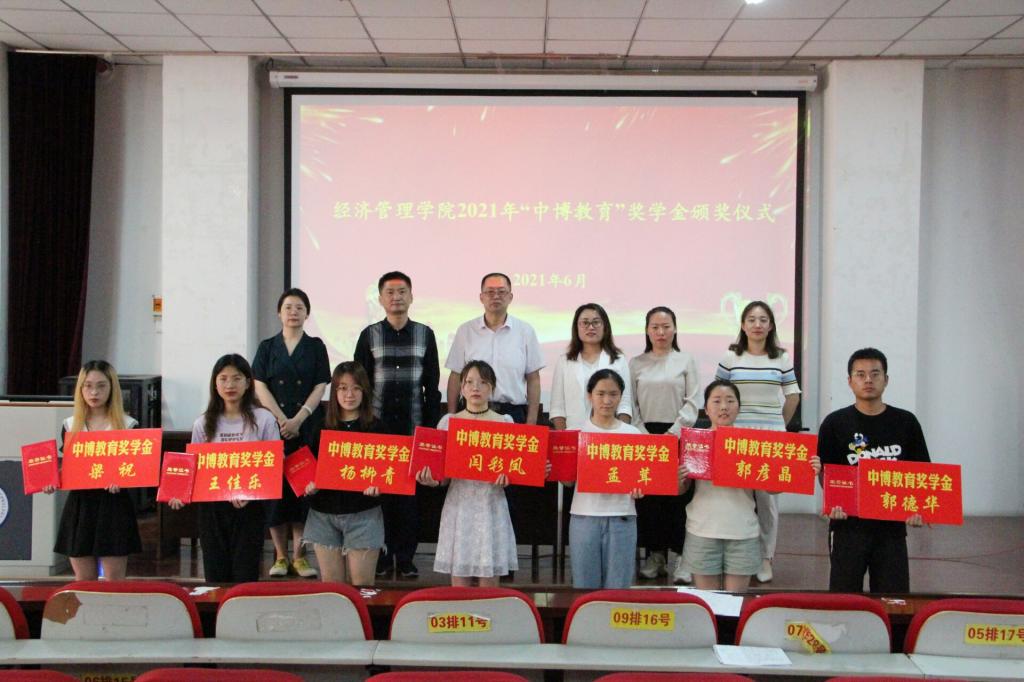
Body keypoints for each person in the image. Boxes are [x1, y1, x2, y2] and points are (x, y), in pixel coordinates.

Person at [678, 379, 820, 592]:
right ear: (706, 408)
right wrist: (678, 479)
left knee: (735, 603)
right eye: (716, 401)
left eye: (730, 401)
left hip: (743, 532)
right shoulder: (694, 442)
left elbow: (771, 488)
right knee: (708, 602)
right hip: (702, 530)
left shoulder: (751, 444)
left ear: (739, 407)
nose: (724, 407)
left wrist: (803, 469)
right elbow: (681, 489)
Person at [819, 347, 930, 593]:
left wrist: (919, 509)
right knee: (844, 599)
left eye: (875, 374)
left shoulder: (906, 422)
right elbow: (826, 473)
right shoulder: (834, 423)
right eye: (860, 374)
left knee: (894, 599)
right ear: (850, 381)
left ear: (886, 379)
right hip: (848, 527)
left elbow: (922, 472)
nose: (868, 380)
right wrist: (833, 502)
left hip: (891, 530)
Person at [354, 271, 441, 579]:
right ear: (380, 299)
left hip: (412, 428)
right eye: (390, 292)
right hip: (376, 429)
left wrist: (429, 432)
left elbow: (432, 387)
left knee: (408, 499)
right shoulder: (369, 335)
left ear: (411, 296)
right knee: (378, 498)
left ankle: (405, 558)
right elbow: (359, 384)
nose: (396, 297)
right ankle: (379, 556)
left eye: (402, 291)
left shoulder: (425, 334)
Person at [173, 354, 280, 583]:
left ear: (248, 382)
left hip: (250, 507)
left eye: (236, 378)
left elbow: (274, 464)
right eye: (223, 379)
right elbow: (193, 466)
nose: (229, 385)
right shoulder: (203, 423)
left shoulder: (264, 419)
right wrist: (178, 492)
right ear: (215, 383)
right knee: (215, 573)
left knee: (245, 574)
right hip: (212, 508)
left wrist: (248, 492)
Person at [715, 300, 800, 583]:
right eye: (751, 319)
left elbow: (792, 395)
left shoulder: (781, 358)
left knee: (767, 501)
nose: (757, 325)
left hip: (770, 438)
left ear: (771, 325)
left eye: (763, 320)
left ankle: (765, 558)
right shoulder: (731, 357)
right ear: (743, 325)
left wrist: (778, 426)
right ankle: (736, 555)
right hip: (736, 435)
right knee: (736, 498)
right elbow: (717, 393)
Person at [416, 361, 518, 587]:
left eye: (483, 382)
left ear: (492, 388)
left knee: (489, 584)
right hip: (459, 506)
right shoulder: (449, 423)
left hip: (491, 505)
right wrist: (432, 481)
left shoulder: (504, 423)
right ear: (461, 388)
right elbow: (443, 478)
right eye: (469, 382)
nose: (475, 388)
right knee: (459, 585)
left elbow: (515, 469)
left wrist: (509, 478)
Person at [252, 287, 331, 578]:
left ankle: (299, 556)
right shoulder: (267, 347)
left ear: (307, 314)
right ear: (279, 313)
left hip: (306, 426)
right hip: (274, 427)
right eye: (288, 307)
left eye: (299, 307)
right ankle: (280, 556)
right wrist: (281, 419)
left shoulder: (316, 346)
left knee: (302, 491)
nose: (293, 312)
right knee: (276, 493)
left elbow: (321, 385)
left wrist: (298, 418)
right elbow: (259, 384)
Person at [49, 360, 140, 580]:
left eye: (101, 386)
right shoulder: (71, 425)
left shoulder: (128, 425)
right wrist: (52, 479)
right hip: (81, 504)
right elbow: (68, 467)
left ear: (112, 388)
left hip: (113, 505)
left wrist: (123, 480)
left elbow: (137, 471)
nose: (94, 392)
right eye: (88, 386)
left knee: (113, 582)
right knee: (83, 582)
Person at [630, 306, 700, 585]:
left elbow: (693, 402)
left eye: (666, 326)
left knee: (679, 498)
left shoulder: (685, 360)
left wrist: (673, 434)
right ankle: (655, 556)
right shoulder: (636, 363)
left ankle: (683, 558)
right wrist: (643, 433)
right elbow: (631, 403)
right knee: (650, 501)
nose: (661, 332)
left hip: (678, 435)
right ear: (647, 331)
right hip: (646, 436)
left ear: (675, 329)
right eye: (655, 327)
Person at [302, 362, 385, 586]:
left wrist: (380, 488)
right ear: (334, 391)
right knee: (332, 589)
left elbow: (387, 474)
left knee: (362, 586)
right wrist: (309, 486)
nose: (350, 394)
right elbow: (307, 470)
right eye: (343, 388)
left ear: (365, 392)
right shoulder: (320, 427)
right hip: (323, 515)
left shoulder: (376, 428)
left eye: (356, 388)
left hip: (364, 514)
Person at [567, 369, 643, 589]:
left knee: (619, 589)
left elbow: (642, 477)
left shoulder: (633, 434)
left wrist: (640, 488)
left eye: (613, 394)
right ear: (589, 395)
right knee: (584, 588)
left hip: (622, 516)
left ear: (621, 397)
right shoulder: (576, 433)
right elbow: (568, 481)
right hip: (584, 516)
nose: (607, 401)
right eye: (600, 394)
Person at [445, 273, 544, 425]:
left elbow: (533, 378)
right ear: (481, 297)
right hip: (471, 413)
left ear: (510, 297)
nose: (496, 296)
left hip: (512, 412)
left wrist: (531, 422)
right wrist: (452, 417)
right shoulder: (466, 330)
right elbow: (455, 375)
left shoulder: (525, 331)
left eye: (501, 292)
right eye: (490, 292)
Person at [549, 303, 632, 430]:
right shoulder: (564, 361)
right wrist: (565, 435)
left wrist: (619, 434)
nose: (591, 327)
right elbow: (557, 408)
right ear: (576, 327)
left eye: (596, 322)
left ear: (605, 327)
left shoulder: (618, 360)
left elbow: (624, 405)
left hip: (610, 434)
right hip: (573, 431)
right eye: (585, 323)